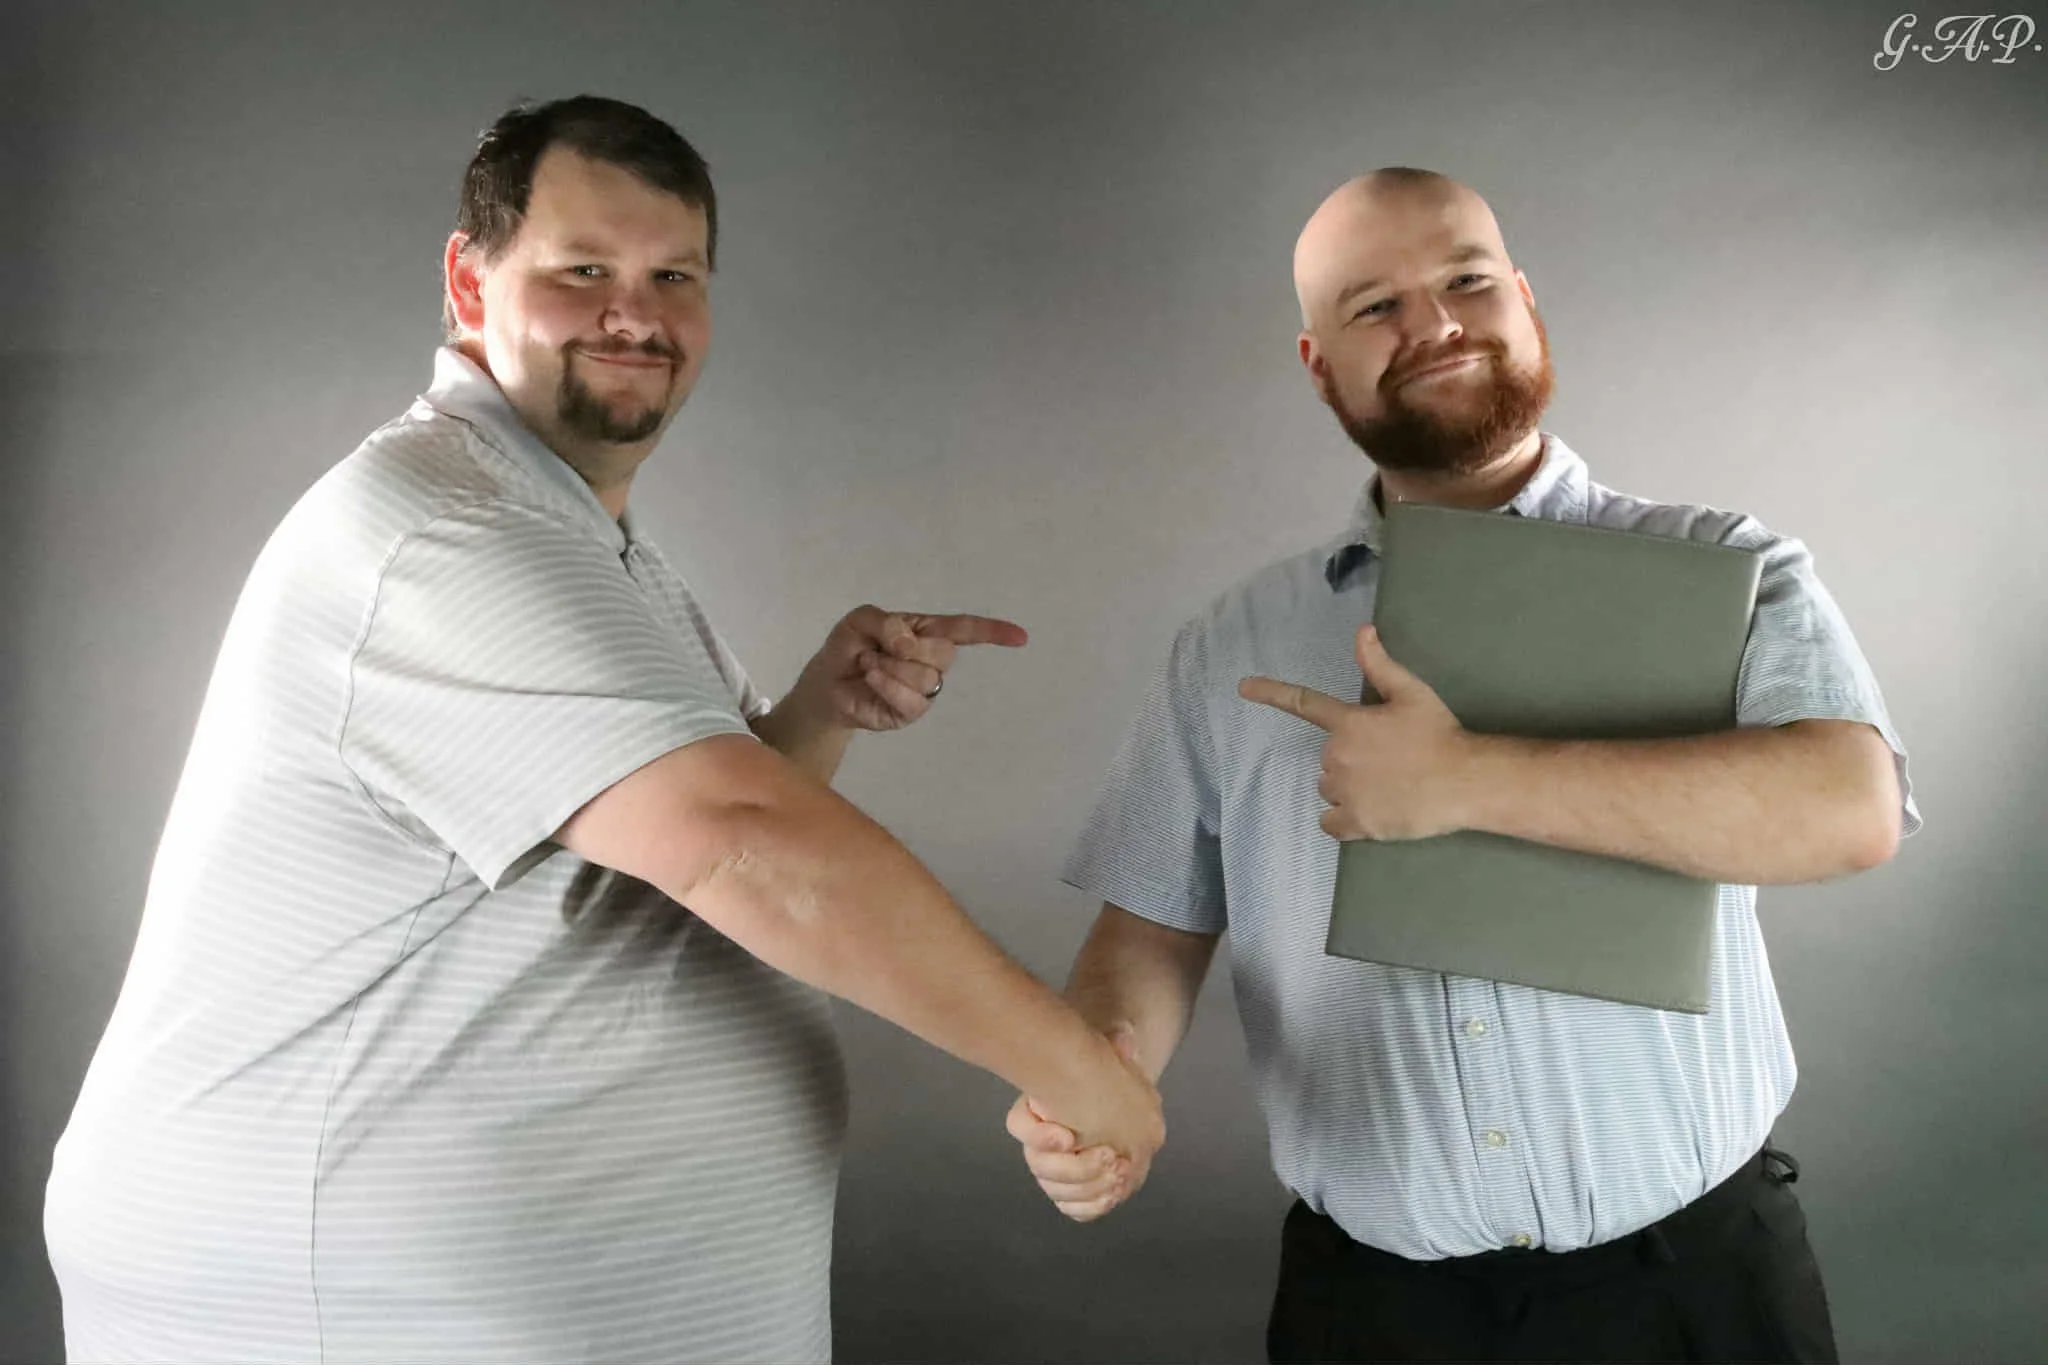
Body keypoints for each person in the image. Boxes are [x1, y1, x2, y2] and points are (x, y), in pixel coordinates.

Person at [43, 94, 1161, 1365]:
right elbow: (738, 844)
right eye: (583, 272)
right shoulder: (441, 533)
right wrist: (1078, 1070)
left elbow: (638, 875)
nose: (635, 314)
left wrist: (806, 718)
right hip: (331, 1306)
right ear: (470, 282)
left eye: (671, 274)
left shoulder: (573, 536)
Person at [1006, 168, 1919, 1363]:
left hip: (1696, 1291)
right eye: (1370, 305)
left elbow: (1849, 810)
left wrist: (1465, 780)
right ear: (1315, 363)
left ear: (1525, 303)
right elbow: (1148, 930)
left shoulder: (1725, 568)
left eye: (1464, 282)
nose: (1429, 324)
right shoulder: (1229, 645)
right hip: (1377, 1314)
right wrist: (1095, 1073)